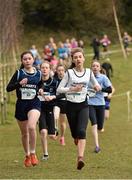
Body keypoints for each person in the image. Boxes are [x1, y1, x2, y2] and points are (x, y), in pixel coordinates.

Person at [57, 47, 101, 170]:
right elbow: (59, 89)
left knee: (82, 131)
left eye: (80, 57)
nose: (78, 59)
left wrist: (97, 86)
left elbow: (95, 83)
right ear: (73, 59)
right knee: (74, 133)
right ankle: (75, 137)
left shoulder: (89, 72)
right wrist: (72, 89)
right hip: (70, 105)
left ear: (83, 58)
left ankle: (80, 158)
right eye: (75, 57)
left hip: (84, 104)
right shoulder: (69, 73)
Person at [6, 51, 42, 167]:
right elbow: (8, 88)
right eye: (25, 59)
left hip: (34, 103)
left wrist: (41, 89)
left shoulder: (38, 73)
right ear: (22, 61)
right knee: (24, 133)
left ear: (33, 59)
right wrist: (19, 83)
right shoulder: (18, 73)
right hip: (21, 105)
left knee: (32, 126)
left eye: (29, 58)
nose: (27, 61)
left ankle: (33, 153)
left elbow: (41, 85)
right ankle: (27, 155)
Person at [38, 61, 62, 160]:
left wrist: (53, 97)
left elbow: (62, 95)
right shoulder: (36, 82)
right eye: (42, 68)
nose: (44, 69)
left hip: (50, 108)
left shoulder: (55, 82)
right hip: (39, 109)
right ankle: (45, 154)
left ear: (50, 70)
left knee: (52, 136)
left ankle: (55, 129)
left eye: (46, 68)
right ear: (40, 69)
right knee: (43, 132)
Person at [88, 61, 112, 153]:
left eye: (97, 66)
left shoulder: (103, 78)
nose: (95, 67)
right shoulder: (88, 78)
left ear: (100, 68)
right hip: (90, 104)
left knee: (100, 126)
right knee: (94, 123)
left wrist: (100, 88)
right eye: (93, 66)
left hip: (101, 104)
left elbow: (110, 89)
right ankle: (97, 146)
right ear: (91, 68)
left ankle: (99, 128)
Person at [54, 64, 67, 146]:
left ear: (64, 71)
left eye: (62, 70)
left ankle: (62, 137)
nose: (61, 72)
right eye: (59, 70)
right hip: (56, 102)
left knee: (62, 123)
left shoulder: (68, 81)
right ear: (56, 71)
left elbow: (67, 93)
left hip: (64, 103)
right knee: (55, 116)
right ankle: (55, 128)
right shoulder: (54, 81)